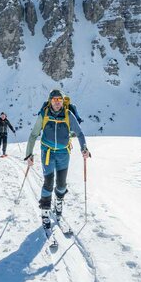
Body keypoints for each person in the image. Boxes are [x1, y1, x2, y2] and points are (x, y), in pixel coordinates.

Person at [24, 89, 90, 234]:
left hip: (63, 154)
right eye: (54, 100)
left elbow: (79, 132)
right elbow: (34, 134)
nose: (57, 103)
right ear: (50, 101)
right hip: (47, 153)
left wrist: (84, 148)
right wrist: (29, 154)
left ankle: (58, 204)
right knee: (48, 183)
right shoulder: (44, 114)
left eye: (59, 100)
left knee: (61, 184)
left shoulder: (68, 114)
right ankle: (45, 213)